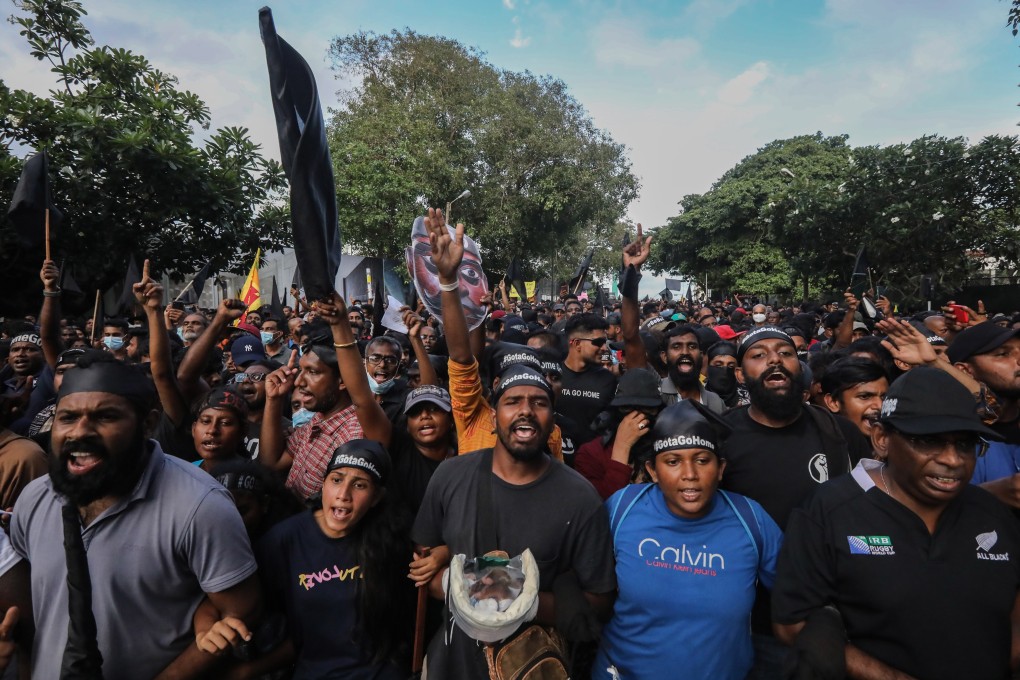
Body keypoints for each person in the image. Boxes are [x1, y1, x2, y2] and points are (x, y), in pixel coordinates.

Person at [412, 209, 616, 678]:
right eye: (513, 401)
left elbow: (596, 600)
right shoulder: (455, 466)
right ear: (494, 407)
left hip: (531, 663)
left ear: (552, 416)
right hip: (452, 659)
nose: (525, 411)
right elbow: (462, 355)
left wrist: (511, 604)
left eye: (539, 403)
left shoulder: (576, 494)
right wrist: (450, 285)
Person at [9, 357, 261, 679]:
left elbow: (242, 612)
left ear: (147, 423)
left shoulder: (200, 507)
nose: (80, 432)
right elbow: (30, 611)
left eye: (105, 417)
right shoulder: (35, 499)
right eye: (67, 418)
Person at [772, 367, 1020, 679]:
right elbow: (792, 623)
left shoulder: (993, 515)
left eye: (965, 444)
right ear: (882, 439)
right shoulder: (829, 512)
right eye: (930, 442)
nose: (953, 460)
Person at [719, 326, 870, 675]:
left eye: (785, 353)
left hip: (832, 612)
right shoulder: (720, 435)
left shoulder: (839, 433)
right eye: (759, 355)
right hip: (749, 622)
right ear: (741, 374)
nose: (775, 360)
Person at [595, 401, 782, 679]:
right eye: (673, 462)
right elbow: (586, 576)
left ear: (720, 469)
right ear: (653, 471)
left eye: (702, 460)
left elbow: (797, 591)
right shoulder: (623, 508)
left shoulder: (750, 519)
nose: (690, 475)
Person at [248, 440, 415, 679]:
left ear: (376, 497)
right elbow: (245, 601)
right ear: (324, 484)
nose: (344, 494)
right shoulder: (286, 539)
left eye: (359, 485)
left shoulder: (391, 542)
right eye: (336, 480)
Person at [260, 331, 365, 499]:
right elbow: (272, 463)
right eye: (301, 370)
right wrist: (274, 399)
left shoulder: (352, 438)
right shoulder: (319, 419)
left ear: (343, 380)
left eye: (313, 372)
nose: (298, 382)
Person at [820, 356, 889, 439]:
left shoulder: (899, 445)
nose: (880, 406)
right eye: (865, 396)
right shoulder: (817, 446)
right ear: (833, 402)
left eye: (884, 397)